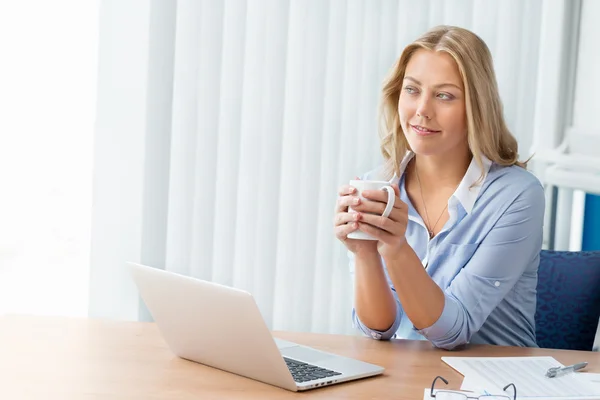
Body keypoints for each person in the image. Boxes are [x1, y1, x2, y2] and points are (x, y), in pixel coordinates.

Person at [333, 25, 544, 350]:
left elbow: (452, 331)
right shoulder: (380, 184)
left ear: (476, 107)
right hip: (410, 383)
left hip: (499, 386)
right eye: (412, 90)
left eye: (444, 95)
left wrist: (395, 248)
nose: (422, 110)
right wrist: (365, 252)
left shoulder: (516, 195)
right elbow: (380, 329)